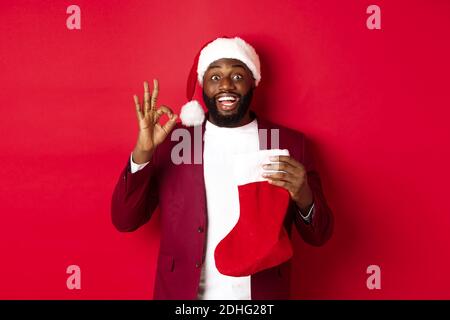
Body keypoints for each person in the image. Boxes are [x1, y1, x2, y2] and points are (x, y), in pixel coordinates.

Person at [111, 36, 334, 300]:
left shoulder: (287, 143)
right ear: (203, 84)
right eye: (215, 77)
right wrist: (143, 152)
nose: (226, 85)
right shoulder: (177, 141)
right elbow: (125, 220)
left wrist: (304, 195)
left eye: (238, 76)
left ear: (253, 81)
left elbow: (319, 235)